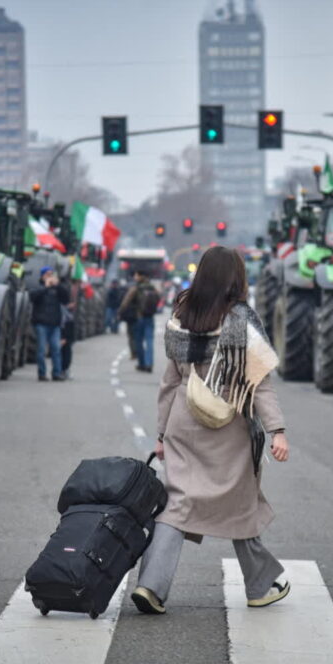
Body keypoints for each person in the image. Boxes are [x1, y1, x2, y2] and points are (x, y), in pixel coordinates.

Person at [131, 247, 290, 615]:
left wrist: (161, 435)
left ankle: (150, 586)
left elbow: (170, 383)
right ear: (236, 278)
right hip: (228, 428)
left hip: (183, 423)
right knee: (241, 503)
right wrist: (277, 430)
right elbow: (260, 385)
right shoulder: (242, 322)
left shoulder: (182, 317)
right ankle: (260, 586)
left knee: (177, 503)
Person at [29, 266, 69, 381]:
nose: (49, 276)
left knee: (56, 349)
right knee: (41, 350)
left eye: (51, 274)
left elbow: (66, 299)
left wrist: (58, 285)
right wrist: (45, 287)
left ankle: (57, 373)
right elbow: (32, 297)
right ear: (42, 276)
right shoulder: (38, 287)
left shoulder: (57, 289)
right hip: (41, 323)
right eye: (47, 274)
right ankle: (42, 373)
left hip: (55, 324)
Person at [118, 271, 158, 372]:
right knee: (149, 341)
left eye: (136, 275)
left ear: (140, 276)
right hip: (150, 318)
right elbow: (158, 298)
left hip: (139, 318)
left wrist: (120, 312)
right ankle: (149, 363)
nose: (135, 277)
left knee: (138, 341)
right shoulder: (152, 288)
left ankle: (142, 364)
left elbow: (125, 301)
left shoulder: (136, 288)